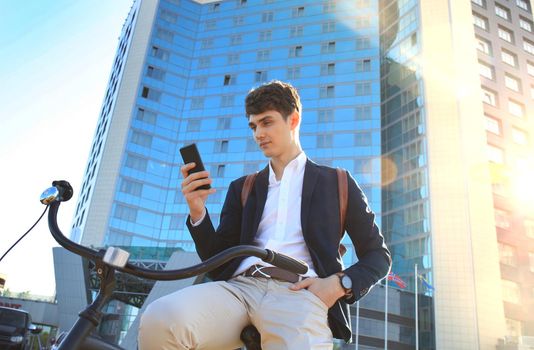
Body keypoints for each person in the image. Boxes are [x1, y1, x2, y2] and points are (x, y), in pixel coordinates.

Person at [138, 80, 391, 349]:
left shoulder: (338, 182)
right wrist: (198, 211)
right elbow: (217, 259)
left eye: (267, 122)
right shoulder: (243, 188)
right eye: (254, 126)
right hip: (238, 290)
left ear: (293, 119)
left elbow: (378, 255)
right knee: (160, 318)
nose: (259, 133)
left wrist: (339, 284)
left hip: (298, 295)